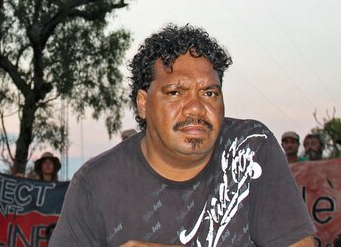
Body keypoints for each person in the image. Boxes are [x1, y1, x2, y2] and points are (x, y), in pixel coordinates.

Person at [50, 24, 315, 246]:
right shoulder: (94, 184)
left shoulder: (249, 148)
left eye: (209, 93)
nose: (197, 108)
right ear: (143, 104)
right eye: (176, 92)